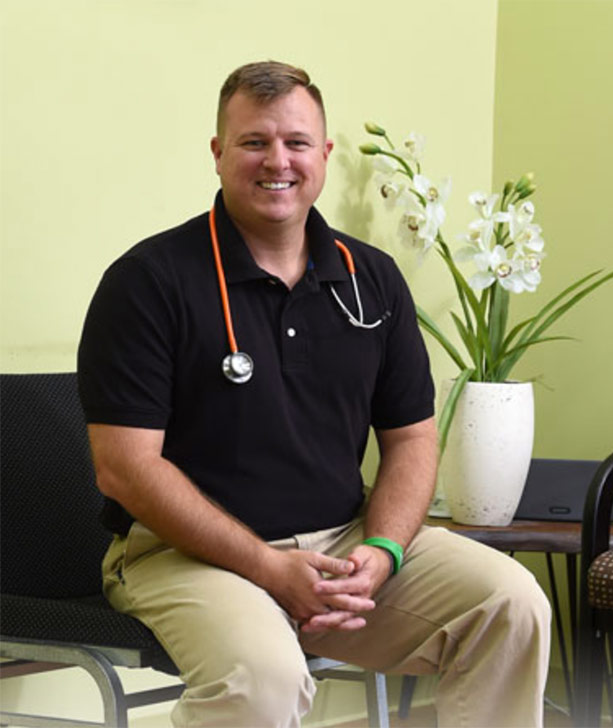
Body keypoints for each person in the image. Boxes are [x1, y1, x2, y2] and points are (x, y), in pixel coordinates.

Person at [77, 60, 551, 727]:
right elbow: (125, 468)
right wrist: (270, 568)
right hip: (185, 557)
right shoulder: (149, 281)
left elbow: (413, 440)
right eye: (254, 142)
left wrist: (383, 551)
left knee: (511, 605)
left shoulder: (372, 279)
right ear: (218, 153)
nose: (278, 161)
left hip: (342, 541)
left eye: (296, 142)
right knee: (262, 680)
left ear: (324, 154)